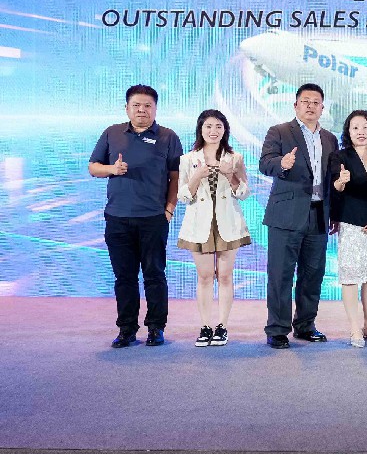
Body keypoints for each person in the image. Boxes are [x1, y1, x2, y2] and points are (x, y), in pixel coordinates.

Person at [89, 84, 182, 348]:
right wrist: (112, 169)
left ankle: (156, 328)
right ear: (127, 108)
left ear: (155, 109)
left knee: (155, 275)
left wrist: (169, 209)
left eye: (147, 105)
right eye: (136, 105)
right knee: (125, 277)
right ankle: (127, 329)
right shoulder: (112, 133)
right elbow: (93, 167)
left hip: (153, 218)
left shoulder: (168, 136)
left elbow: (176, 177)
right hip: (117, 218)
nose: (142, 110)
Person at [259, 83, 339, 349]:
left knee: (312, 274)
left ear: (322, 108)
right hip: (286, 215)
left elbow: (332, 178)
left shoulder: (330, 138)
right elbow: (264, 163)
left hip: (319, 213)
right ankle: (277, 329)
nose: (310, 106)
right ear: (295, 105)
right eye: (305, 101)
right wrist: (281, 163)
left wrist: (334, 213)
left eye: (316, 102)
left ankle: (305, 325)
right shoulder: (280, 131)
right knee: (280, 274)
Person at [176, 110, 252, 348]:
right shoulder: (188, 159)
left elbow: (244, 193)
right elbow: (183, 196)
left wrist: (231, 175)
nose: (213, 131)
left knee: (226, 276)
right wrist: (196, 176)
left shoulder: (235, 158)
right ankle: (205, 326)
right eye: (208, 126)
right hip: (199, 225)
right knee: (205, 276)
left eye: (218, 126)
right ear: (200, 129)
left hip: (227, 223)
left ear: (225, 130)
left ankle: (222, 326)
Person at [330, 110, 367, 348]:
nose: (361, 132)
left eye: (365, 127)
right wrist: (341, 181)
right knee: (350, 278)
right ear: (348, 131)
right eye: (355, 127)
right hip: (350, 224)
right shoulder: (339, 156)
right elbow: (335, 189)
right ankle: (354, 328)